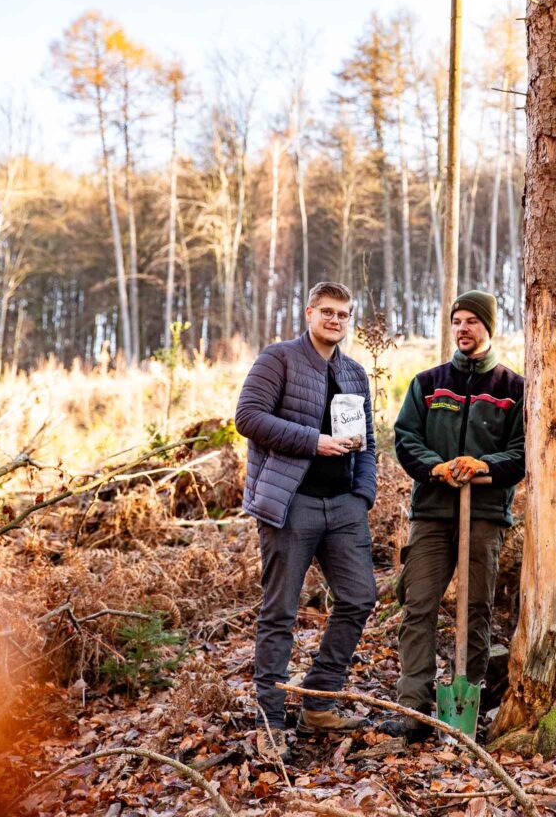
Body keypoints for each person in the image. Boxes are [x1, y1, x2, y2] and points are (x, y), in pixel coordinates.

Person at [235, 281, 377, 763]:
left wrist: (363, 495)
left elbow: (370, 443)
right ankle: (269, 721)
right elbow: (248, 417)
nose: (336, 320)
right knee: (280, 612)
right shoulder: (278, 359)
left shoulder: (355, 373)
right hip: (290, 503)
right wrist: (312, 441)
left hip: (343, 506)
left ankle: (319, 700)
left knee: (359, 597)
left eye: (344, 314)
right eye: (328, 312)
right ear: (310, 312)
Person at [379, 290, 525, 742]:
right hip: (432, 513)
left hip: (484, 514)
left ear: (488, 327)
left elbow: (522, 451)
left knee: (477, 609)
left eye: (471, 321)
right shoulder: (428, 383)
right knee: (418, 606)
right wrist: (436, 467)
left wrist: (484, 465)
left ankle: (470, 696)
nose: (462, 329)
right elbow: (405, 438)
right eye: (456, 321)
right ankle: (414, 708)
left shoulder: (512, 388)